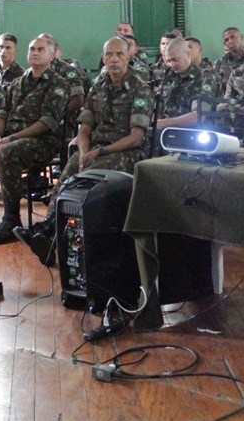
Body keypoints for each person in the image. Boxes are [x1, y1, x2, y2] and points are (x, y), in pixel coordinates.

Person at [15, 36, 154, 265]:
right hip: (96, 151)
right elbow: (84, 128)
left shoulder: (140, 88)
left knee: (84, 177)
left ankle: (50, 233)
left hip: (127, 152)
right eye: (109, 54)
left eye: (120, 54)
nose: (114, 59)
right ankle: (50, 234)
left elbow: (136, 138)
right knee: (68, 173)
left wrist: (98, 153)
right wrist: (83, 150)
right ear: (103, 58)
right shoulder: (97, 88)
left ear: (128, 57)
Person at [0, 36, 69, 244]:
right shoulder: (17, 83)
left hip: (42, 141)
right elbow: (1, 114)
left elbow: (47, 122)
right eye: (31, 48)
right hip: (9, 137)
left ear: (51, 55)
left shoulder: (57, 84)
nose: (34, 52)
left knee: (8, 152)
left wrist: (10, 139)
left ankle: (11, 219)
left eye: (40, 49)